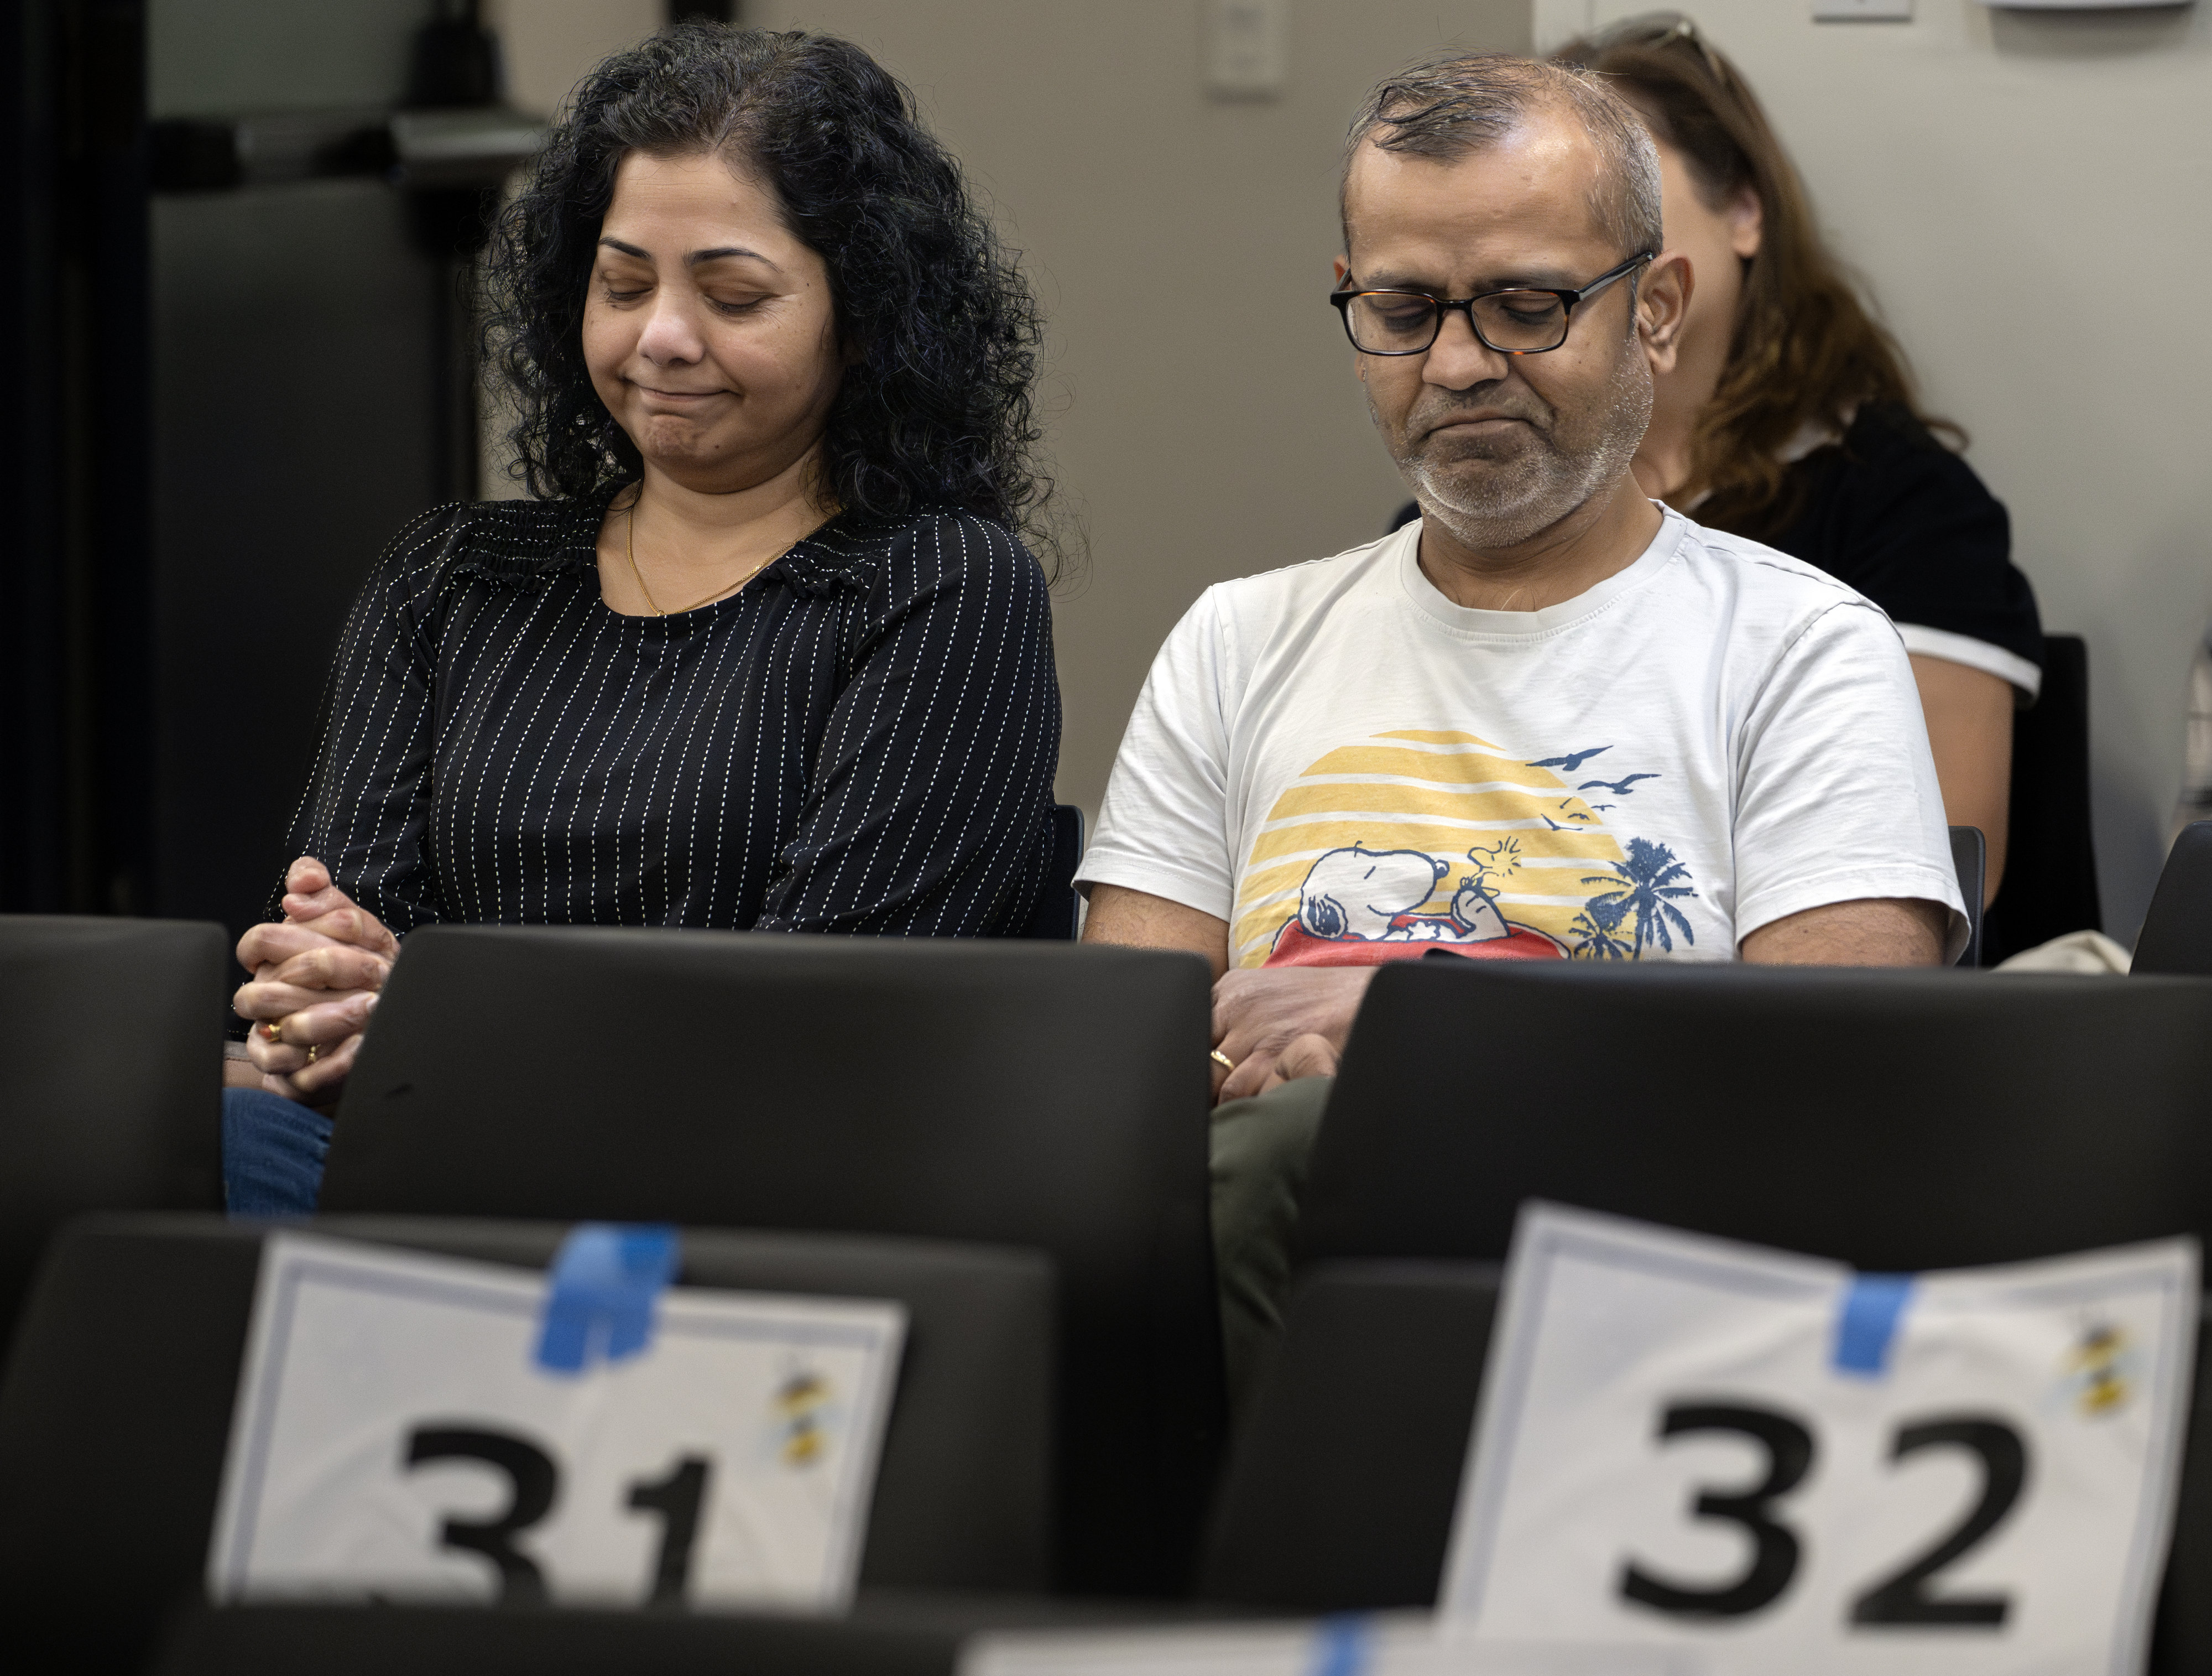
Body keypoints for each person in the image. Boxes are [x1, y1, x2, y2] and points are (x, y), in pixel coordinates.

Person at [1071, 53, 1966, 1398]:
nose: (1457, 364)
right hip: (1262, 1290)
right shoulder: (1237, 640)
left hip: (1650, 1301)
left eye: (1526, 306)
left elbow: (1841, 1082)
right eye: (1402, 307)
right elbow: (1115, 1073)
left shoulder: (1800, 645)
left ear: (1655, 310)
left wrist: (1410, 1022)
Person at [223, 24, 1063, 1211]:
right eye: (622, 286)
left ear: (863, 319)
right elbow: (338, 936)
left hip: (741, 1189)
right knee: (181, 1134)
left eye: (730, 295)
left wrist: (442, 1025)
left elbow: (807, 1020)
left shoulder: (938, 587)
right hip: (422, 1147)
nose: (660, 338)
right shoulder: (453, 576)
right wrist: (323, 988)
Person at [1393, 13, 2042, 903]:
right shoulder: (1474, 499)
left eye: (1636, 198)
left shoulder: (1900, 503)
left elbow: (1937, 871)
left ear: (1743, 210)